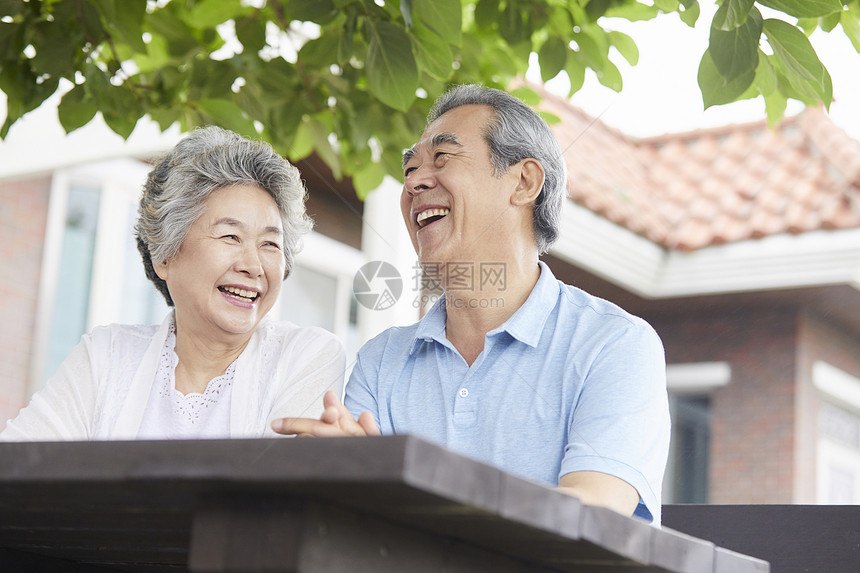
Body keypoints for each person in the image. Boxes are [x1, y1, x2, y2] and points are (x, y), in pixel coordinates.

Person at [272, 85, 670, 524]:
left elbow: (590, 514)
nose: (414, 182)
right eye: (410, 167)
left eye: (442, 158)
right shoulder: (382, 360)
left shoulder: (614, 345)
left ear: (523, 182)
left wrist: (402, 491)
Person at [1, 126, 345, 441]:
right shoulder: (107, 356)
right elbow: (20, 470)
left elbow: (276, 499)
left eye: (270, 243)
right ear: (164, 255)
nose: (253, 266)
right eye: (230, 236)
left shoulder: (306, 356)